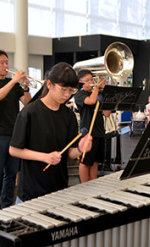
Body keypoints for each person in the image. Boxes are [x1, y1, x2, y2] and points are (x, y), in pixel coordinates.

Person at [9, 62, 93, 202]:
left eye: (71, 91)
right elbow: (14, 150)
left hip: (58, 190)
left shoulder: (69, 115)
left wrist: (80, 149)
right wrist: (44, 157)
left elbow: (69, 153)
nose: (67, 95)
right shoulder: (30, 112)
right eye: (63, 89)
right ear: (49, 84)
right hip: (31, 192)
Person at [0, 49, 32, 212]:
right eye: (2, 62)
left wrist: (24, 87)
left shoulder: (14, 83)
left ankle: (8, 206)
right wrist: (14, 81)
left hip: (14, 132)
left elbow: (27, 101)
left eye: (7, 62)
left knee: (11, 174)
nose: (5, 65)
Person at [75, 69, 111, 183]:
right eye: (88, 80)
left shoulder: (98, 94)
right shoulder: (79, 95)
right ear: (81, 82)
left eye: (92, 79)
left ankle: (93, 184)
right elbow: (90, 101)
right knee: (85, 161)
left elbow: (107, 113)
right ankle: (84, 185)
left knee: (95, 161)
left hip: (99, 131)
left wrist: (107, 96)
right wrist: (96, 87)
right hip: (88, 132)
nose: (92, 81)